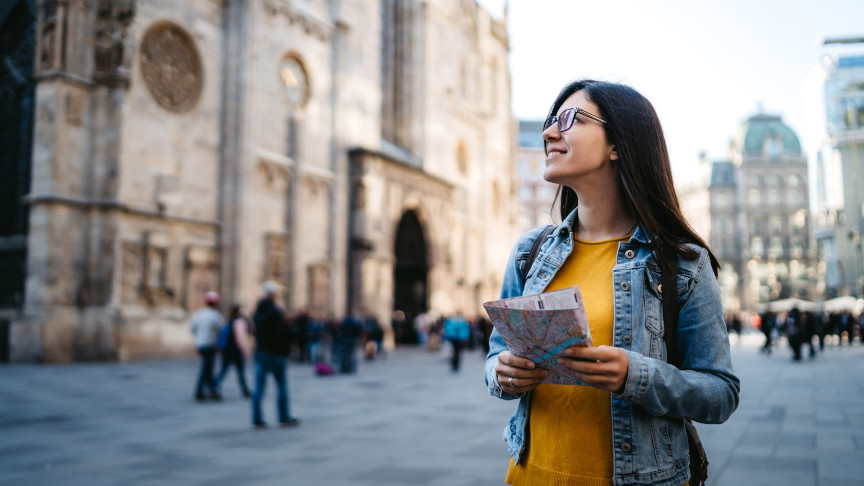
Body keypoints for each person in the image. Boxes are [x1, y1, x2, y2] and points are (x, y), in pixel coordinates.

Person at [484, 80, 740, 486]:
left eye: (569, 120)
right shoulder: (528, 252)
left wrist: (634, 377)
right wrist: (503, 373)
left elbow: (720, 393)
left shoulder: (680, 262)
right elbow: (496, 358)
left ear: (617, 144)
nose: (550, 132)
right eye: (551, 121)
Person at [251, 281, 299, 428]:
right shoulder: (276, 312)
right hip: (275, 353)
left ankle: (257, 418)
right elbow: (280, 334)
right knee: (281, 386)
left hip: (260, 351)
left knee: (259, 387)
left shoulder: (257, 312)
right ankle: (283, 417)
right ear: (273, 295)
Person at [190, 291, 224, 401]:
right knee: (207, 368)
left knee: (207, 367)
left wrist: (199, 338)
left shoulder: (198, 314)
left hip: (200, 344)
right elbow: (220, 330)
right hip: (211, 344)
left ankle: (209, 390)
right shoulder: (216, 315)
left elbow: (193, 329)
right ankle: (204, 390)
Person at [216, 304, 252, 398]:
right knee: (240, 370)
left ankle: (215, 386)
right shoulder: (240, 322)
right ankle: (244, 389)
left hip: (226, 348)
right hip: (235, 348)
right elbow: (240, 338)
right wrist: (245, 350)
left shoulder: (226, 320)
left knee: (224, 369)